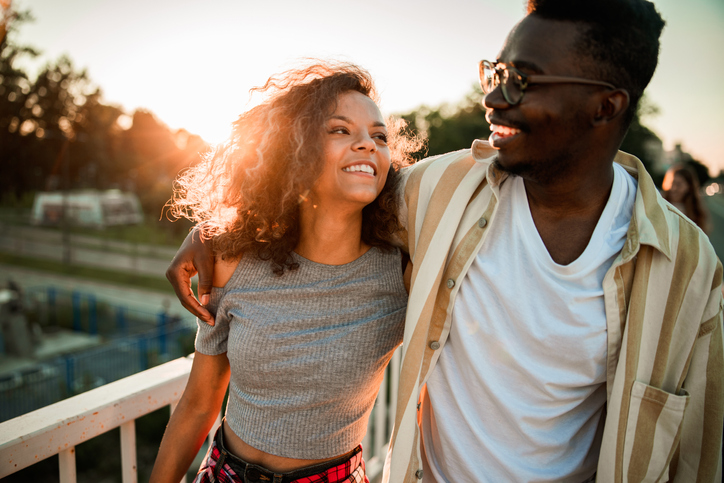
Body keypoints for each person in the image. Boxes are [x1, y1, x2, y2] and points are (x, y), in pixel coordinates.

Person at [167, 0, 724, 481]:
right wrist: (210, 234)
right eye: (495, 73)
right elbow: (319, 193)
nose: (494, 98)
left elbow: (698, 452)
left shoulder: (689, 269)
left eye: (522, 80)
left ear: (607, 105)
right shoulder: (438, 191)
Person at [151, 62, 420, 483]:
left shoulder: (401, 273)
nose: (368, 144)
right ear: (294, 151)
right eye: (340, 130)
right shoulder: (232, 260)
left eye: (379, 136)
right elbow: (199, 404)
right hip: (225, 475)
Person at [662, 163, 710, 232]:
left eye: (679, 185)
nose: (674, 188)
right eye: (672, 183)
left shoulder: (695, 213)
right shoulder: (659, 202)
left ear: (689, 187)